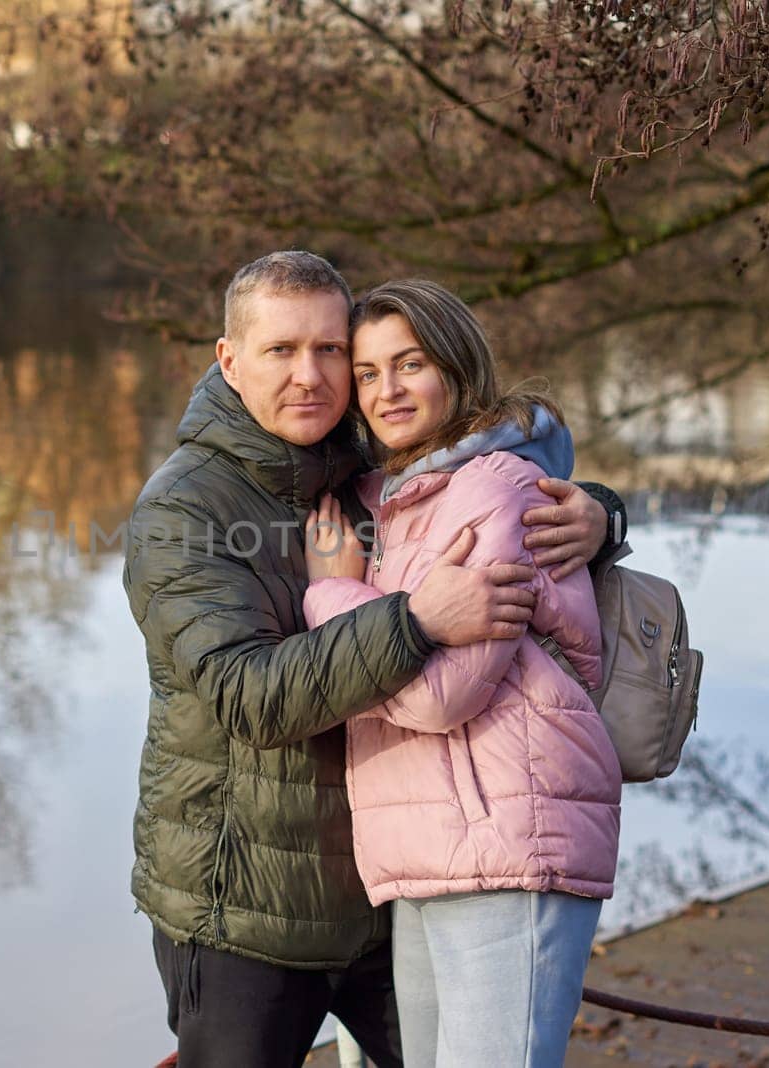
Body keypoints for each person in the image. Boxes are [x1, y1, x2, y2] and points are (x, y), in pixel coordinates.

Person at [124, 252, 626, 1068]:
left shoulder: (367, 464)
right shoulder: (184, 510)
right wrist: (416, 620)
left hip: (392, 887)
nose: (311, 376)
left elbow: (486, 466)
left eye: (330, 351)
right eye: (281, 351)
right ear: (228, 359)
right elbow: (252, 699)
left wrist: (600, 513)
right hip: (246, 910)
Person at [303, 278, 624, 1068]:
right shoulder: (399, 499)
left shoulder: (494, 490)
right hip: (434, 848)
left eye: (408, 364)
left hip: (508, 841)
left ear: (455, 364)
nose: (387, 391)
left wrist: (333, 587)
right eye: (370, 373)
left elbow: (443, 693)